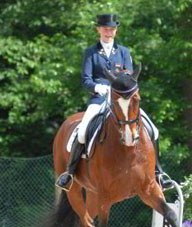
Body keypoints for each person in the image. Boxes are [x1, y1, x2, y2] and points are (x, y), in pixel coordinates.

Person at [56, 13, 172, 191]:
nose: (108, 32)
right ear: (98, 30)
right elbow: (86, 79)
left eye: (111, 29)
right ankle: (70, 173)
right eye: (105, 29)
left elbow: (130, 78)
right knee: (81, 132)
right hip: (100, 98)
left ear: (116, 31)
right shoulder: (91, 53)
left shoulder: (124, 52)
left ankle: (159, 172)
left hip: (123, 101)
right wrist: (98, 88)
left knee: (153, 130)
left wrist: (121, 90)